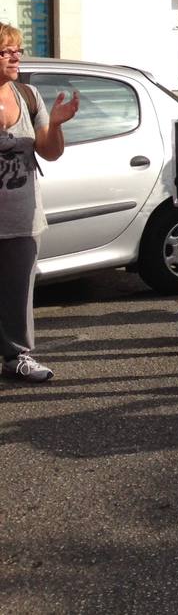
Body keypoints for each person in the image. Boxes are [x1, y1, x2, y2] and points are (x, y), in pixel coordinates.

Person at [0, 25, 79, 382]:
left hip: (22, 214)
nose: (16, 57)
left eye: (17, 50)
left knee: (18, 293)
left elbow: (50, 152)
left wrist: (57, 125)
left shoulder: (28, 95)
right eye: (6, 52)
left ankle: (17, 356)